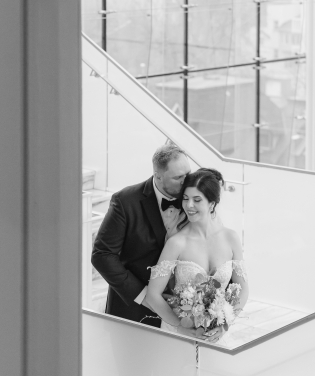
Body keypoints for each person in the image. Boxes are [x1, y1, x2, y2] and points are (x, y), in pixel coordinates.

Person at [90, 142, 194, 326]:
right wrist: (144, 296)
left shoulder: (194, 199)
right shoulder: (125, 201)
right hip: (134, 311)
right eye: (178, 177)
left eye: (188, 174)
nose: (186, 182)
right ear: (158, 176)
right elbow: (102, 255)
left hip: (185, 310)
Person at [142, 168, 248, 342]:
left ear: (212, 204)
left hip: (218, 334)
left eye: (197, 200)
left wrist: (225, 324)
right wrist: (179, 327)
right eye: (185, 198)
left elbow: (243, 288)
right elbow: (153, 295)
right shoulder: (176, 243)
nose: (189, 205)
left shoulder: (231, 238)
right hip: (181, 332)